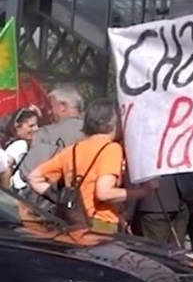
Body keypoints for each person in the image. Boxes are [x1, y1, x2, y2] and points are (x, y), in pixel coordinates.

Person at [28, 99, 152, 233]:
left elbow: (34, 177)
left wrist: (59, 199)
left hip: (73, 222)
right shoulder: (111, 148)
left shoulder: (73, 149)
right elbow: (104, 193)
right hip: (100, 225)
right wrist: (143, 192)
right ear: (113, 123)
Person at [23, 86, 84, 173]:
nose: (49, 112)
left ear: (63, 107)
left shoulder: (45, 134)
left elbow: (30, 171)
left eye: (51, 107)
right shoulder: (98, 132)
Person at [133, 173, 189, 247]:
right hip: (181, 198)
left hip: (154, 204)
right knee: (175, 250)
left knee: (157, 251)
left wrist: (128, 213)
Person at [0, 106, 40, 191]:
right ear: (17, 127)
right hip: (18, 192)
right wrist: (7, 191)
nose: (36, 129)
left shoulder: (19, 144)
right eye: (31, 126)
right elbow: (6, 166)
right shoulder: (20, 145)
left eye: (37, 125)